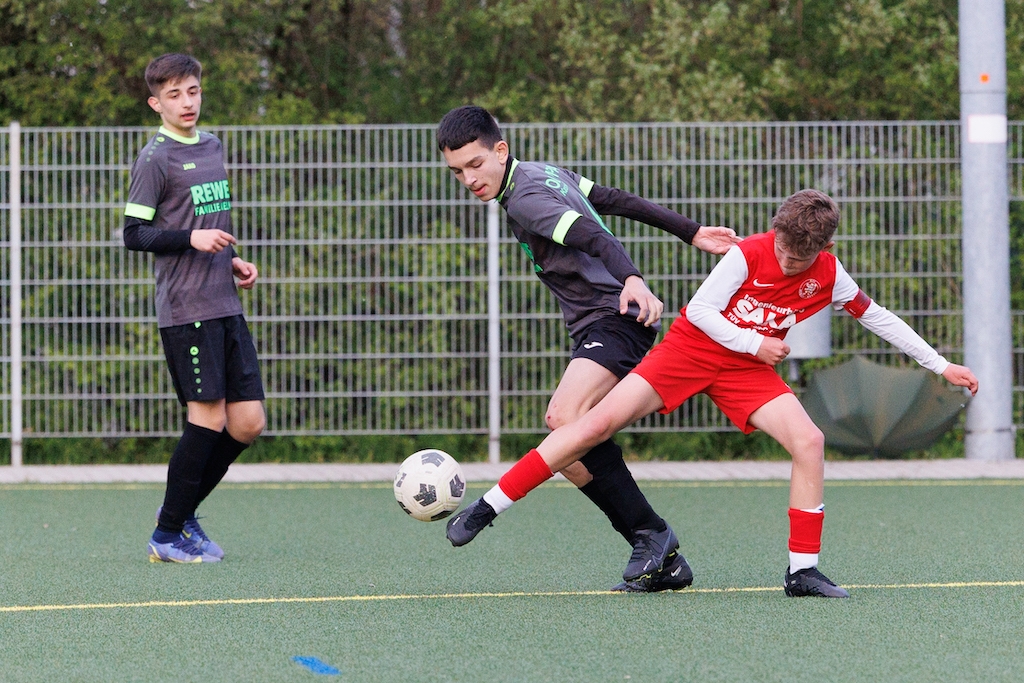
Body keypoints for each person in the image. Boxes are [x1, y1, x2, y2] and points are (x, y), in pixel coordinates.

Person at [448, 188, 979, 597]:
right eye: (782, 250)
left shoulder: (829, 273)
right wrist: (754, 341)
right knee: (593, 425)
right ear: (775, 231)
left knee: (810, 442)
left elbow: (876, 316)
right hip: (691, 351)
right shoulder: (747, 254)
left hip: (746, 370)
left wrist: (940, 364)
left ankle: (802, 571)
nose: (787, 263)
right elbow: (700, 310)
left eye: (799, 259)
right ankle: (488, 507)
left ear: (825, 249)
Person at [436, 105, 740, 591]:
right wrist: (691, 231)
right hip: (599, 322)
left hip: (615, 318)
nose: (469, 179)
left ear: (500, 150)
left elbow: (595, 235)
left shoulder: (525, 200)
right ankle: (658, 553)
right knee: (572, 453)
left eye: (475, 164)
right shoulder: (545, 173)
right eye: (457, 171)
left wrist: (632, 279)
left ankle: (651, 536)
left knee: (564, 418)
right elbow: (617, 200)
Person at [123, 53, 266, 563]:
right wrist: (191, 238)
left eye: (193, 91)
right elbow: (134, 233)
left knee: (248, 423)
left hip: (224, 301)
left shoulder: (212, 146)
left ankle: (180, 513)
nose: (186, 102)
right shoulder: (154, 159)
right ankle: (166, 534)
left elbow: (207, 222)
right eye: (174, 94)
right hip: (187, 310)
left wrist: (231, 260)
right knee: (206, 420)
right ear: (155, 103)